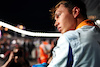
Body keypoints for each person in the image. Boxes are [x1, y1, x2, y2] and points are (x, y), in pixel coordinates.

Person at [48, 0, 100, 67]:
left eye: (59, 15)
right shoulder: (96, 33)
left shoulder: (69, 38)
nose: (56, 23)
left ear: (75, 12)